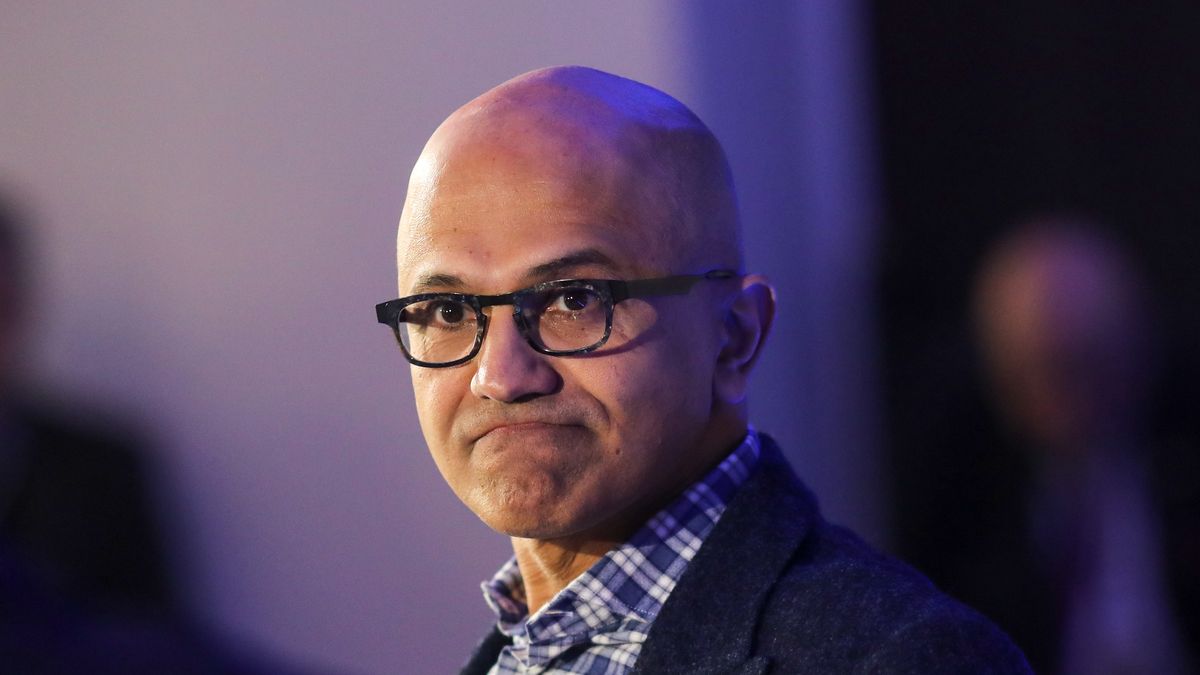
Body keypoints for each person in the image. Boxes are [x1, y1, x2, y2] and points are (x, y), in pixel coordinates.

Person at [376, 66, 1029, 674]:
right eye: (448, 309)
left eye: (574, 299)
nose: (501, 375)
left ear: (734, 337)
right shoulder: (516, 653)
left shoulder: (901, 655)